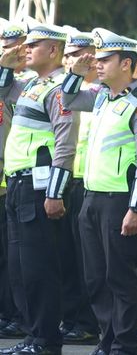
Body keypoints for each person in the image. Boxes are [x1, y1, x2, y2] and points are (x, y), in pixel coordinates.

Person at [61, 28, 137, 355]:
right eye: (98, 60)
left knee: (120, 278)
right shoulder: (103, 97)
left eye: (106, 60)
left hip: (119, 202)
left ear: (127, 64)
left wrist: (136, 208)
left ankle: (123, 345)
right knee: (96, 278)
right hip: (91, 199)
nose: (98, 65)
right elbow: (69, 99)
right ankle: (108, 340)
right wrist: (75, 73)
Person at [0, 22, 79, 355]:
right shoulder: (32, 84)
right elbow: (3, 92)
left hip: (39, 186)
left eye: (35, 44)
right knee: (20, 268)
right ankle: (33, 336)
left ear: (54, 51)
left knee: (38, 267)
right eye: (26, 45)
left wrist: (55, 192)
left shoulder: (60, 88)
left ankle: (46, 340)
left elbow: (65, 142)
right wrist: (5, 65)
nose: (26, 49)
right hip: (18, 183)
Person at [57, 30, 100, 346]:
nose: (74, 62)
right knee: (67, 257)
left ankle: (86, 322)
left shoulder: (99, 93)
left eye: (80, 56)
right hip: (69, 182)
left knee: (86, 259)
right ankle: (71, 318)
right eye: (70, 56)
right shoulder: (67, 90)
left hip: (89, 183)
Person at [0, 20, 32, 340]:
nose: (14, 52)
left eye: (19, 46)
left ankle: (16, 314)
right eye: (7, 46)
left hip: (13, 174)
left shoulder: (30, 81)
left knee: (13, 254)